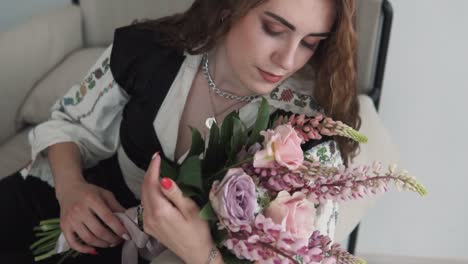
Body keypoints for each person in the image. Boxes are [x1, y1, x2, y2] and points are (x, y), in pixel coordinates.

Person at [0, 0, 360, 263]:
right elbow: (69, 122)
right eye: (274, 29)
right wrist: (70, 188)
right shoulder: (152, 50)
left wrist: (201, 253)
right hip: (85, 205)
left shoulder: (310, 136)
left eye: (311, 43)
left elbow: (308, 257)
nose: (287, 59)